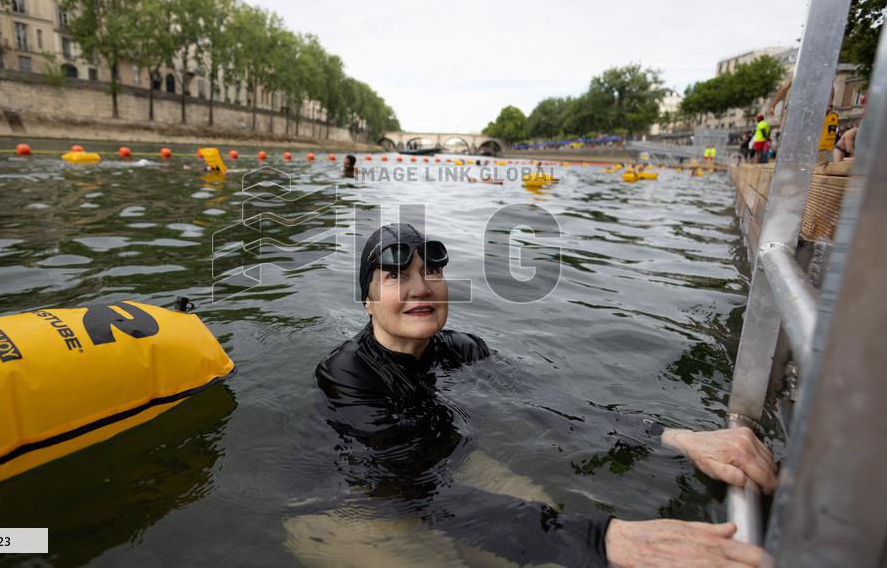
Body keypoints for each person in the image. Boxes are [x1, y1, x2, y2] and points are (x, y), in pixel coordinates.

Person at [313, 224, 776, 566]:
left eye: (430, 270)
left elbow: (557, 409)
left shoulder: (462, 350)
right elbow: (414, 492)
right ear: (367, 300)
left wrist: (680, 439)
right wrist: (603, 539)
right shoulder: (347, 373)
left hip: (449, 467)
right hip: (356, 501)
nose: (420, 287)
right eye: (396, 276)